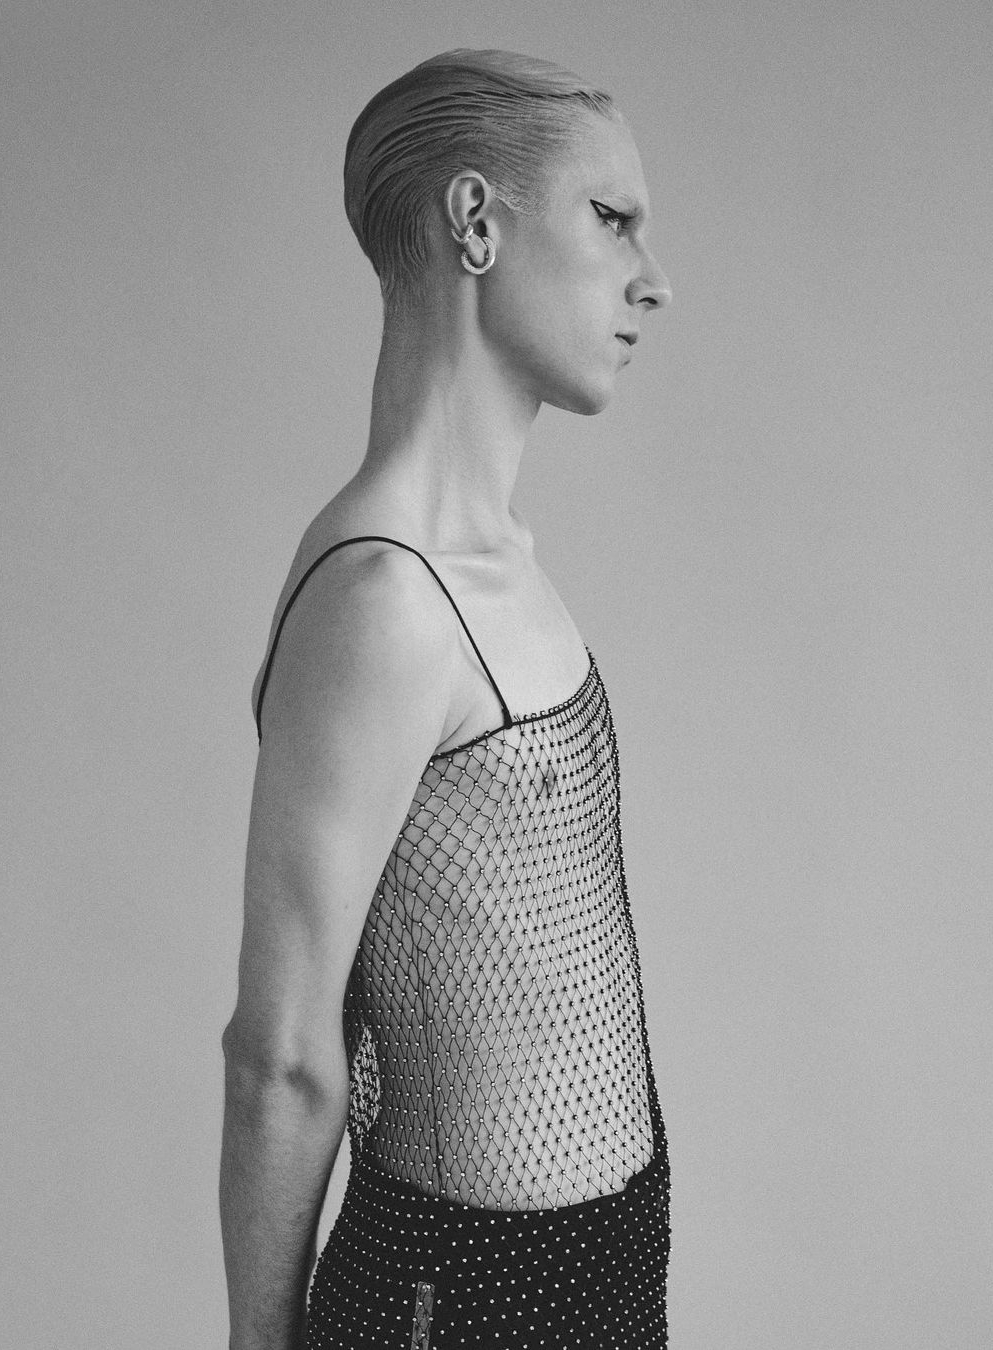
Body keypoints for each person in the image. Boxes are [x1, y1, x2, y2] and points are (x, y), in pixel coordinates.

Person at [220, 48, 673, 1349]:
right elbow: (281, 1056)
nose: (652, 276)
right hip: (459, 1303)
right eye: (611, 218)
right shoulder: (386, 598)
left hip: (603, 1271)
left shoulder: (501, 561)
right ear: (477, 221)